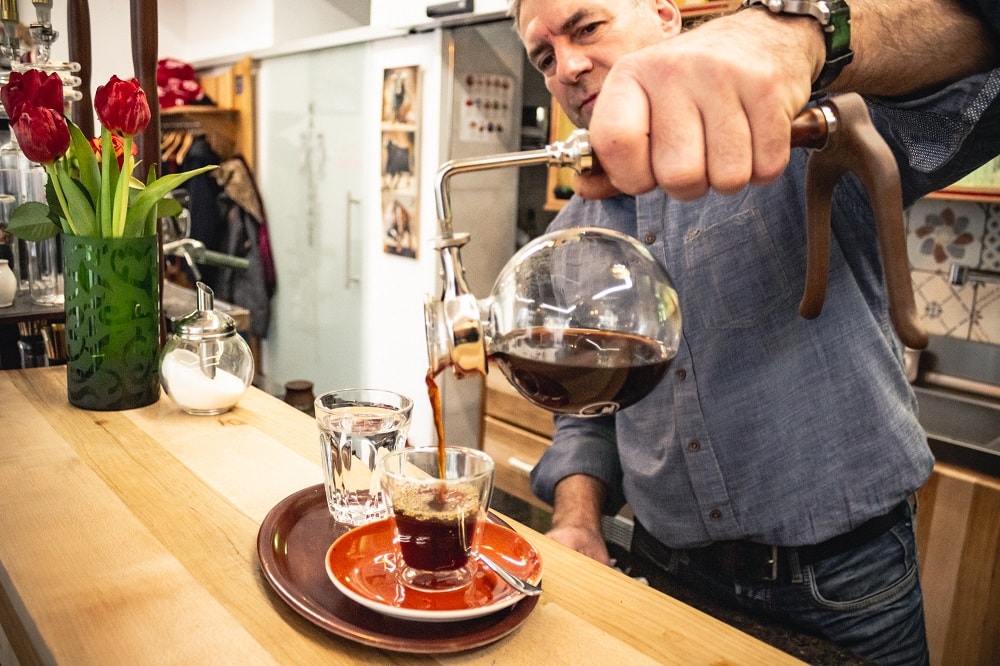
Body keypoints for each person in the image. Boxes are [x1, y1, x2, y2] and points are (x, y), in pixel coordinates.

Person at [511, 0, 1000, 663]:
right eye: (545, 56)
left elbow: (983, 61)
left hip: (844, 586)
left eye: (586, 27)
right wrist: (576, 517)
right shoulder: (572, 240)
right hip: (664, 571)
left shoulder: (801, 134)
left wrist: (801, 34)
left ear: (664, 17)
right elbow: (590, 409)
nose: (567, 65)